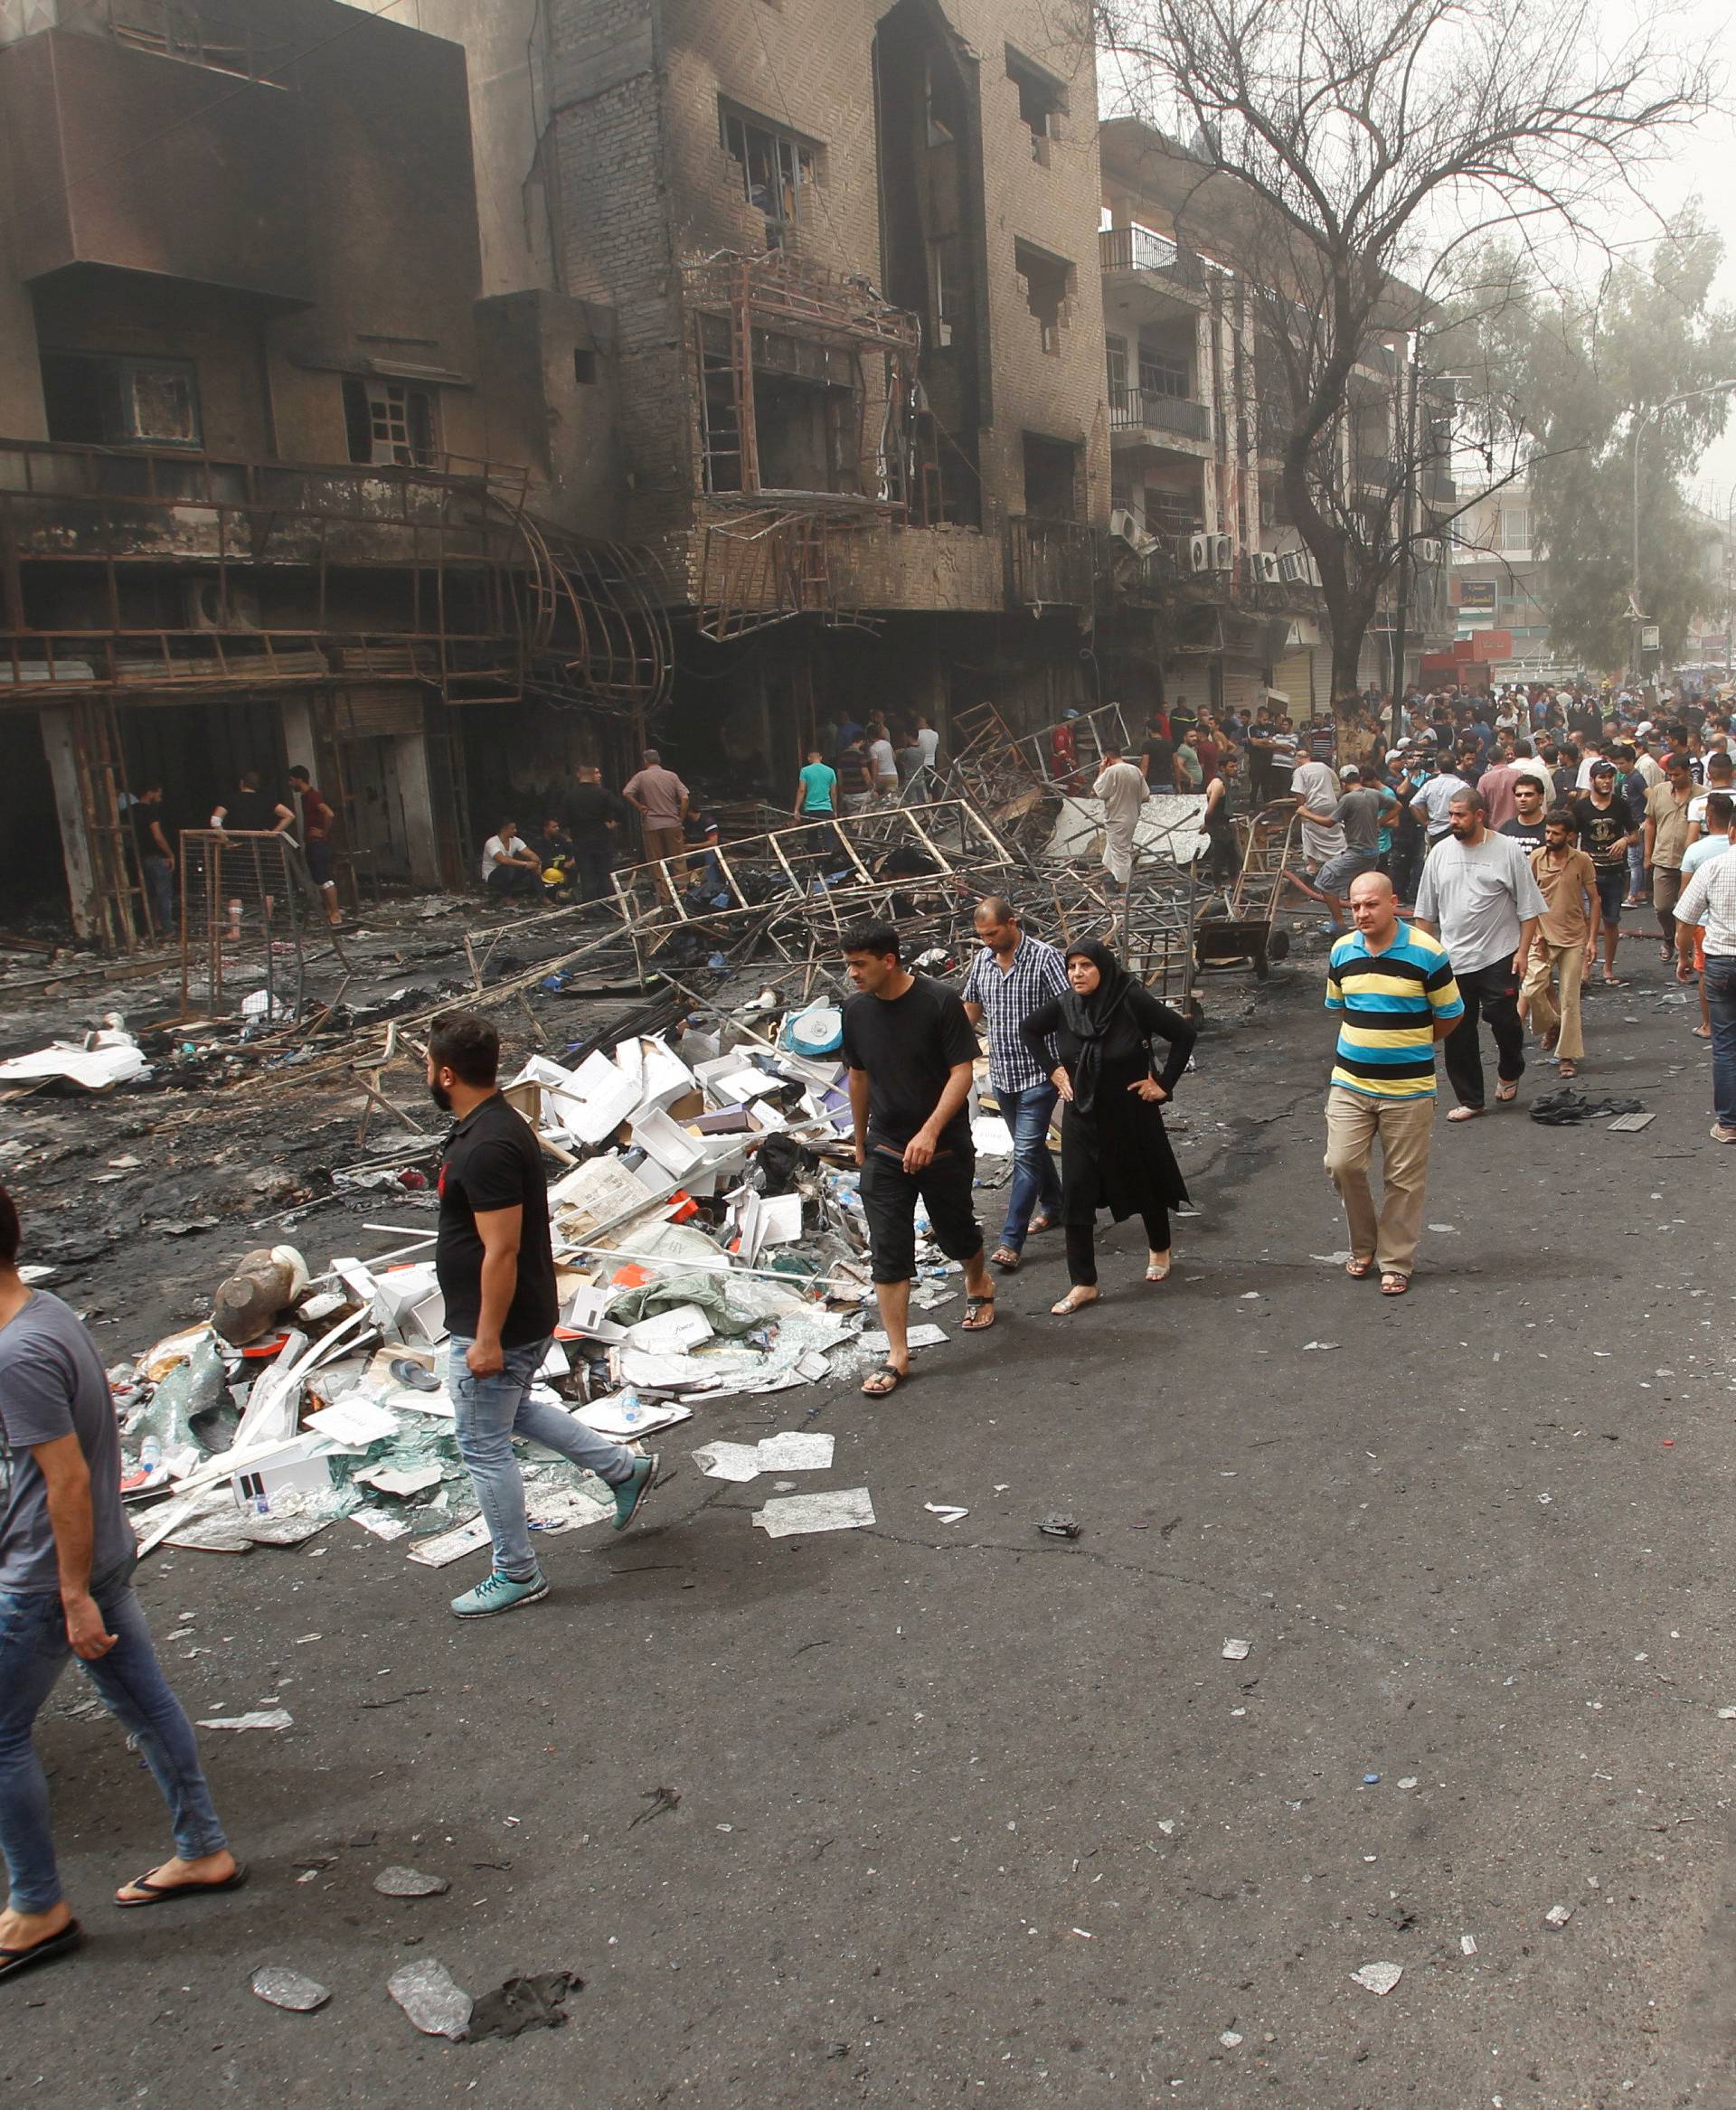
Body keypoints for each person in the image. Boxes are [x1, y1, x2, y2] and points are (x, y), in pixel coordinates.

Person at [0, 1183, 242, 1983]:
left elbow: (63, 1480)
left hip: (48, 1575)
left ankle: (38, 1908)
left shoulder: (16, 1354)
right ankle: (203, 1849)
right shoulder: (48, 1313)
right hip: (102, 1550)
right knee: (144, 1705)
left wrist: (70, 1595)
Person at [428, 1014, 656, 1618]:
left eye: (428, 1067)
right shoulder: (489, 1127)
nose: (429, 1076)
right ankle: (622, 1469)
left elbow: (500, 1251)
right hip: (507, 1314)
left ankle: (516, 1571)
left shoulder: (488, 1145)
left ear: (445, 1073)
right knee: (514, 1412)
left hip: (498, 1320)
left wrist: (485, 1339)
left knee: (482, 1443)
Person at [840, 924, 996, 1394]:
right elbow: (859, 1075)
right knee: (888, 1247)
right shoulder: (855, 1010)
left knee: (955, 1233)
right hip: (887, 1146)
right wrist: (861, 1138)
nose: (851, 974)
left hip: (943, 1143)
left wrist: (930, 1130)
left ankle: (978, 1281)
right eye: (848, 964)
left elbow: (962, 1071)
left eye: (859, 964)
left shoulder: (938, 1001)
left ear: (889, 960)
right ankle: (898, 1354)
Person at [1018, 939, 1196, 1314]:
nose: (1077, 974)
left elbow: (1183, 1034)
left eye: (1086, 966)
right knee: (1077, 1197)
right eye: (1072, 967)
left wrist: (1163, 1085)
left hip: (1131, 1114)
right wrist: (1053, 1069)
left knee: (1145, 1184)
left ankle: (1159, 1248)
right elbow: (1029, 1030)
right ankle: (1084, 1283)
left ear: (1103, 968)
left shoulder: (1130, 999)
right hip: (1082, 1115)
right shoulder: (1067, 1006)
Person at [1323, 873, 1463, 1295]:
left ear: (1393, 903)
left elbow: (1452, 1014)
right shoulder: (1342, 951)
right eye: (1355, 907)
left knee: (1403, 1179)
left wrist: (1412, 1041)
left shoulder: (1427, 953)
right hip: (1349, 1084)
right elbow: (1341, 1007)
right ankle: (1363, 1245)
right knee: (1341, 1164)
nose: (1362, 914)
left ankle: (1396, 1260)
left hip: (1409, 1090)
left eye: (1371, 905)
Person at [1414, 787, 1546, 1120]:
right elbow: (1424, 913)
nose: (1453, 821)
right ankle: (1471, 1100)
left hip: (1499, 954)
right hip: (1453, 958)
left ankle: (1511, 1066)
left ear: (1479, 815)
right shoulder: (1439, 853)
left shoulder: (1507, 851)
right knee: (1458, 1028)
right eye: (1450, 815)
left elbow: (1529, 908)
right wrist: (1422, 959)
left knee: (1503, 1018)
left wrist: (1523, 952)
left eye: (1459, 815)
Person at [961, 897, 1070, 1271]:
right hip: (1002, 1074)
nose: (988, 941)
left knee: (1023, 1153)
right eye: (982, 936)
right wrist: (951, 1049)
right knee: (1033, 1149)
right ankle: (1056, 1204)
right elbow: (972, 1005)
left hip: (1040, 1073)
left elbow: (1070, 1008)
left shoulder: (1045, 958)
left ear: (1012, 922)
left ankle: (1011, 1240)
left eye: (993, 933)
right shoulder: (983, 962)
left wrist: (1068, 1064)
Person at [1673, 809, 1736, 1140]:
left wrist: (1682, 957)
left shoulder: (1713, 867)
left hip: (1721, 962)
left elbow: (1685, 919)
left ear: (1732, 832)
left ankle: (1728, 1124)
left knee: (1725, 1044)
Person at [1524, 811, 1599, 1081]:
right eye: (1547, 832)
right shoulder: (1535, 859)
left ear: (1570, 835)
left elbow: (1594, 899)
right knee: (1532, 987)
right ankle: (1553, 1024)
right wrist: (1533, 934)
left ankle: (1566, 1056)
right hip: (1541, 936)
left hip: (1574, 937)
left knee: (1570, 1000)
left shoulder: (1582, 861)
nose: (1549, 838)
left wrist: (1592, 939)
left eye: (1556, 833)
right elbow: (1526, 898)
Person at [1570, 759, 1636, 987]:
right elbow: (1570, 838)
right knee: (1586, 920)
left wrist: (1625, 840)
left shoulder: (1621, 805)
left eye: (1610, 777)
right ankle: (1585, 970)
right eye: (1602, 777)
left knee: (1611, 920)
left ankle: (1608, 968)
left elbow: (1636, 834)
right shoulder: (1581, 808)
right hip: (1588, 873)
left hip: (1615, 872)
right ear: (1592, 780)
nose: (1606, 781)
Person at [1678, 789, 1733, 1045]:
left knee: (1724, 1047)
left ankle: (1708, 1024)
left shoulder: (1697, 853)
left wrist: (1682, 955)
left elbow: (1685, 904)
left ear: (1708, 820)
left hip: (1710, 937)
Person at [1644, 755, 1697, 962]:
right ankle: (1668, 937)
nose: (1673, 778)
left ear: (1688, 772)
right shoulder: (1659, 791)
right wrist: (1647, 855)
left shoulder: (1702, 795)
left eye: (1677, 774)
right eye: (1670, 774)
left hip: (1692, 864)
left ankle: (1687, 945)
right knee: (1663, 907)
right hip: (1664, 859)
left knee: (1691, 909)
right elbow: (1650, 823)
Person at [563, 763, 627, 903]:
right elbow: (621, 809)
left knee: (587, 877)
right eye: (597, 773)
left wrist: (571, 835)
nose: (600, 776)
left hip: (581, 841)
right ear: (591, 775)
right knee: (604, 874)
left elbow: (564, 821)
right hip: (602, 839)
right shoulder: (603, 794)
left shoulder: (570, 796)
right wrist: (613, 823)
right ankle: (610, 906)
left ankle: (590, 910)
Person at [287, 766, 342, 927]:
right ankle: (329, 911)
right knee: (320, 879)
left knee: (325, 879)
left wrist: (323, 832)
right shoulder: (306, 797)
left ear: (299, 779)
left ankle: (335, 912)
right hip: (313, 844)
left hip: (319, 844)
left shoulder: (312, 796)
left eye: (291, 780)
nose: (290, 784)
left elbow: (329, 813)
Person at [622, 749, 690, 871]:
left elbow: (626, 792)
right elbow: (685, 798)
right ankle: (683, 887)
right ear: (659, 761)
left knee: (656, 861)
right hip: (672, 822)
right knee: (678, 858)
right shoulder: (672, 776)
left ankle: (662, 889)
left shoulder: (641, 776)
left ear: (645, 761)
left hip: (652, 824)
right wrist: (680, 819)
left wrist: (639, 806)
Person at [1093, 744, 1148, 888]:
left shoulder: (1111, 771)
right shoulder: (1135, 770)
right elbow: (1145, 796)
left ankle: (1125, 891)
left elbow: (1099, 792)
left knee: (1120, 853)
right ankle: (1114, 878)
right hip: (1131, 816)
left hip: (1117, 818)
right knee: (1112, 851)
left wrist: (1101, 771)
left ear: (1107, 758)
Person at [128, 781, 176, 936]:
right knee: (164, 894)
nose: (160, 798)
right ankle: (168, 928)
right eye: (159, 794)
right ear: (150, 792)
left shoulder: (128, 812)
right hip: (155, 858)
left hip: (138, 858)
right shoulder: (150, 812)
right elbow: (157, 836)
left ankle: (153, 926)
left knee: (149, 894)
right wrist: (170, 854)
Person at [209, 770, 291, 837]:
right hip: (261, 843)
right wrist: (273, 834)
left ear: (241, 783)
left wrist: (225, 840)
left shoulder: (230, 798)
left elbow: (215, 820)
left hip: (237, 843)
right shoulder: (267, 800)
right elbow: (289, 816)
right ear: (258, 785)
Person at [479, 819, 542, 899]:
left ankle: (541, 895)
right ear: (504, 829)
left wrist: (537, 863)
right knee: (507, 869)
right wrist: (526, 864)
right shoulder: (492, 842)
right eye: (512, 829)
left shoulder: (515, 840)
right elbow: (503, 860)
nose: (515, 831)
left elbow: (530, 853)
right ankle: (507, 897)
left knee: (532, 867)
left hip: (509, 871)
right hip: (493, 875)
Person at [1498, 775, 1550, 855]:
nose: (1522, 799)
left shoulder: (1551, 828)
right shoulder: (1506, 828)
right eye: (1518, 795)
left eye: (1528, 795)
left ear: (1541, 799)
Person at [795, 748, 839, 824]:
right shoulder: (830, 771)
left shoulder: (804, 771)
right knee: (828, 834)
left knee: (812, 834)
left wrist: (796, 809)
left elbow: (802, 790)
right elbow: (833, 793)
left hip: (810, 810)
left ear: (809, 758)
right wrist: (835, 810)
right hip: (826, 809)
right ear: (821, 758)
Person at [1137, 711, 1176, 790]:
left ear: (1149, 730)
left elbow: (1145, 765)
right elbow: (1176, 764)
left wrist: (1141, 786)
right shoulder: (1170, 743)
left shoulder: (1147, 745)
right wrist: (1178, 783)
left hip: (1153, 784)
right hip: (1168, 783)